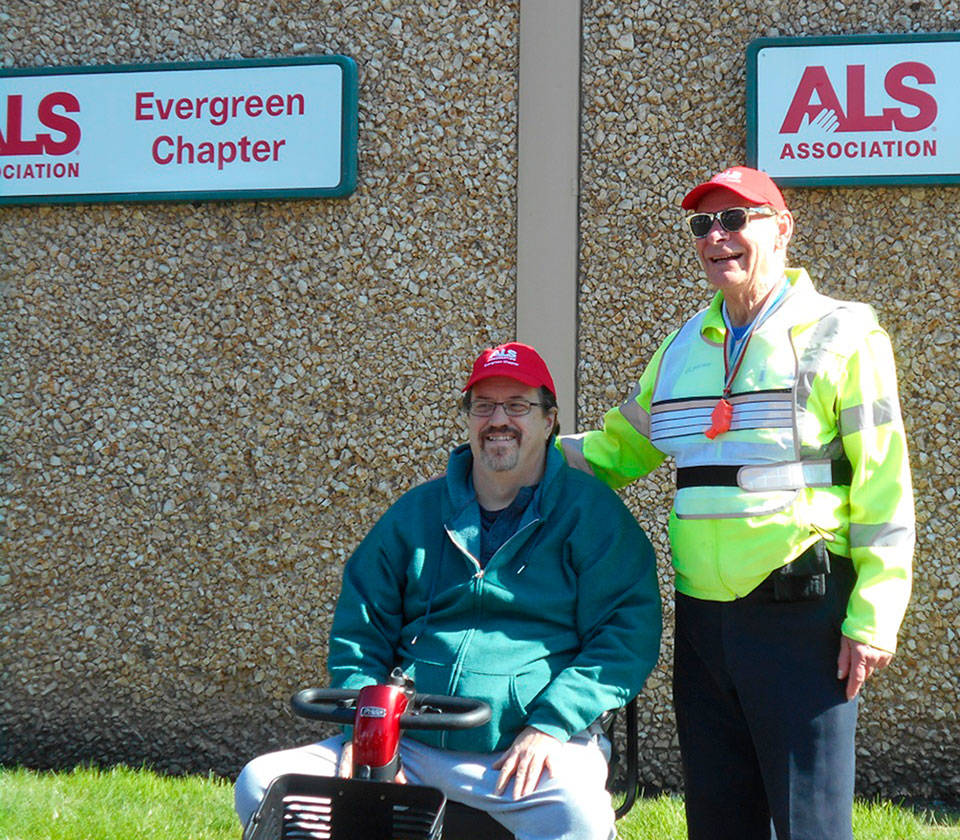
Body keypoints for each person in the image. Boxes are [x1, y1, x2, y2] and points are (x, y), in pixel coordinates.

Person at [559, 166, 914, 840]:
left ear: (782, 230)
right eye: (703, 224)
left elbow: (884, 484)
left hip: (802, 614)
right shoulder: (682, 347)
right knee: (718, 822)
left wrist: (873, 617)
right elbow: (618, 448)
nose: (716, 236)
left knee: (809, 826)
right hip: (703, 622)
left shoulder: (843, 333)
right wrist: (525, 455)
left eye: (734, 219)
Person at [235, 341, 662, 840]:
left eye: (517, 406)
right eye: (484, 406)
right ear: (467, 418)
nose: (498, 420)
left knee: (579, 815)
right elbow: (361, 630)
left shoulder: (593, 515)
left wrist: (552, 724)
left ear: (549, 421)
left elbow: (625, 636)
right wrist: (363, 730)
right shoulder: (415, 513)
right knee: (261, 783)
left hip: (526, 750)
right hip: (407, 743)